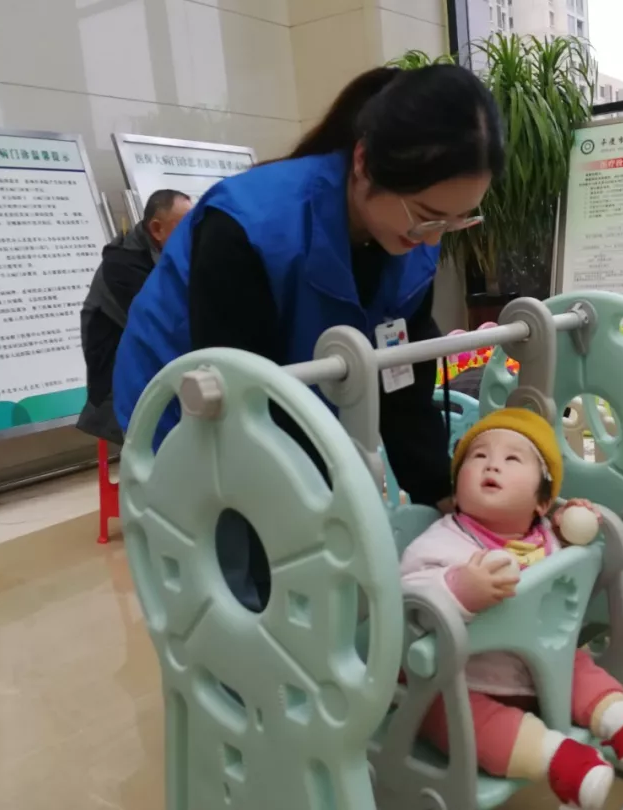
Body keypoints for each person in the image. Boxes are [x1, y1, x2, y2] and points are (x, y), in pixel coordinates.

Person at [112, 64, 504, 610]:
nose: (433, 238)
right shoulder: (249, 224)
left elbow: (401, 379)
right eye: (427, 216)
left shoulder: (412, 243)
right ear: (364, 162)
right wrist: (322, 499)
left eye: (456, 221)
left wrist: (440, 489)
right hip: (192, 404)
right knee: (237, 568)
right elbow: (244, 411)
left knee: (310, 556)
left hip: (293, 389)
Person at [400, 409, 623, 810]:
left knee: (579, 666)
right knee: (450, 717)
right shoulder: (443, 542)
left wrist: (573, 532)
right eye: (478, 457)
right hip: (463, 681)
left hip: (542, 674)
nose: (492, 464)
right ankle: (561, 761)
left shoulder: (545, 537)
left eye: (512, 459)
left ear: (542, 502)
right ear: (456, 494)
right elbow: (409, 598)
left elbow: (569, 578)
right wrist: (457, 588)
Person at [77, 189, 193, 444]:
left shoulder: (167, 256)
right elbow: (165, 328)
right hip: (122, 389)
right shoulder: (122, 267)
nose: (192, 233)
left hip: (158, 380)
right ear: (157, 229)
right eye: (185, 226)